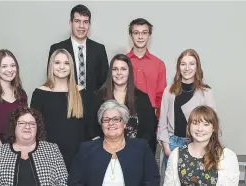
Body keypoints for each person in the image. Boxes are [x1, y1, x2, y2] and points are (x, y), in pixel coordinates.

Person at [68, 100, 160, 186]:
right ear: (101, 125)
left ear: (124, 123)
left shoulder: (141, 148)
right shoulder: (86, 149)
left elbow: (152, 181)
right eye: (106, 120)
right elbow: (75, 182)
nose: (111, 123)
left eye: (116, 119)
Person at [31, 49, 91, 172]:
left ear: (71, 66)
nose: (62, 67)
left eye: (66, 63)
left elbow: (89, 128)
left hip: (78, 158)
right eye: (57, 62)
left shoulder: (82, 93)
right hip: (48, 158)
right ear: (51, 66)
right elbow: (34, 128)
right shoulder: (40, 93)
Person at [157, 48, 216, 167]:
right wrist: (167, 148)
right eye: (183, 64)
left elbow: (213, 124)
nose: (187, 68)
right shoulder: (169, 91)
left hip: (198, 145)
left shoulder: (206, 92)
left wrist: (206, 149)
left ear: (197, 67)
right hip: (173, 145)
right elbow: (162, 123)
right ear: (179, 67)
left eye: (191, 64)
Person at [0, 107, 68, 186]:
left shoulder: (52, 150)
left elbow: (63, 182)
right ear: (14, 126)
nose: (27, 127)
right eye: (22, 123)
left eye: (32, 124)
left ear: (37, 128)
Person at [90, 54, 156, 152]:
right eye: (115, 69)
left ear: (129, 72)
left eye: (123, 69)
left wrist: (137, 150)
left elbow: (149, 130)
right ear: (110, 73)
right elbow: (92, 127)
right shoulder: (99, 96)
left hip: (135, 153)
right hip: (105, 152)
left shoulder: (142, 98)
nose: (119, 73)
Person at [163, 106, 239, 185]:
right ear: (189, 126)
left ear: (214, 128)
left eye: (206, 124)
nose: (200, 129)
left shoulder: (226, 156)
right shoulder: (176, 154)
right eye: (195, 123)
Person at [47, 4, 108, 96]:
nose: (81, 26)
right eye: (77, 21)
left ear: (89, 24)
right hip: (64, 102)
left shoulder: (99, 49)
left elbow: (105, 81)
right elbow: (51, 79)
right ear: (70, 23)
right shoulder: (57, 49)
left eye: (85, 22)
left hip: (93, 105)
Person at [126, 18, 167, 154]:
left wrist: (159, 125)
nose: (140, 36)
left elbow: (161, 97)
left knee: (147, 162)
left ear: (149, 36)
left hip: (149, 119)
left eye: (144, 33)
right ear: (131, 35)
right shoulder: (122, 62)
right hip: (124, 117)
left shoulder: (158, 64)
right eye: (136, 32)